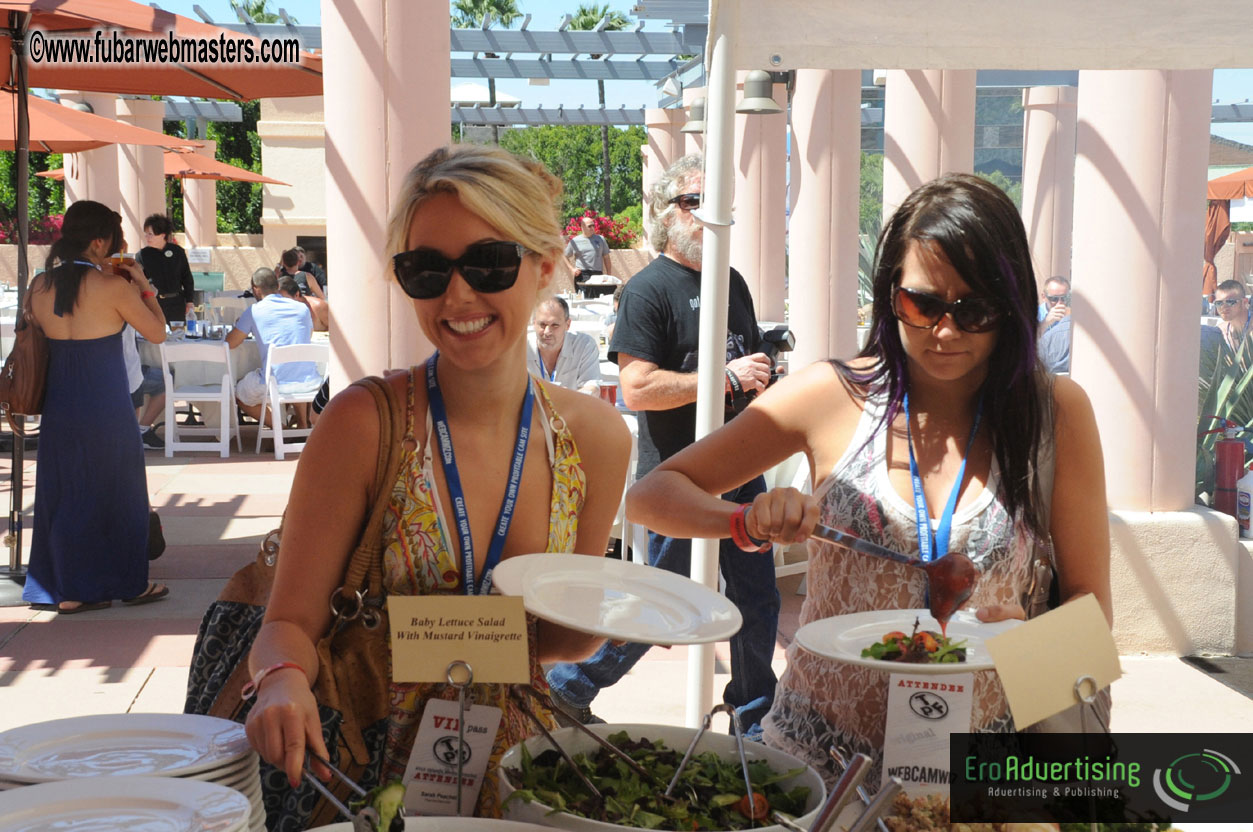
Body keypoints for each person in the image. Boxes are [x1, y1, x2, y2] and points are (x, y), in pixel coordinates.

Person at [625, 173, 1113, 785]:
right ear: (889, 295)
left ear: (1011, 306)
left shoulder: (1056, 414)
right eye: (923, 304)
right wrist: (743, 521)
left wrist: (1024, 644)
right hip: (819, 770)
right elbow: (652, 496)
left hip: (978, 778)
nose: (946, 331)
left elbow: (1092, 612)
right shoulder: (831, 395)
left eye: (976, 310)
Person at [241, 144, 631, 821]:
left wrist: (617, 608)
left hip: (518, 778)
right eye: (426, 269)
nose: (457, 294)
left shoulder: (595, 438)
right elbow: (286, 627)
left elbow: (566, 645)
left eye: (487, 263)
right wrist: (279, 681)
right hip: (356, 778)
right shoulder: (364, 422)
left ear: (542, 268)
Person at [546, 153, 780, 734]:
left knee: (758, 598)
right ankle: (567, 686)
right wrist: (723, 377)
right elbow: (636, 386)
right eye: (694, 201)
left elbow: (741, 361)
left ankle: (751, 718)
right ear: (664, 213)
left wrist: (758, 375)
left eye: (716, 201)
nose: (708, 213)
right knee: (661, 599)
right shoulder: (648, 290)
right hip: (677, 477)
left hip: (739, 466)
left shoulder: (732, 281)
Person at [22, 200, 171, 613]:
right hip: (105, 401)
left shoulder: (39, 286)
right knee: (119, 491)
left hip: (60, 400)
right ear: (100, 241)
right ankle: (127, 581)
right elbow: (158, 333)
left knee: (64, 491)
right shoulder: (113, 288)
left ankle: (67, 588)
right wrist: (142, 283)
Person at [227, 267, 320, 428]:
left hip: (276, 383)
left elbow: (230, 343)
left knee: (239, 394)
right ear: (277, 286)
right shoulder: (302, 308)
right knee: (293, 368)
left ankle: (280, 430)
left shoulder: (254, 311)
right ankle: (301, 426)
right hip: (310, 381)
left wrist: (242, 326)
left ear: (256, 289)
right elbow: (307, 336)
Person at [526, 296, 601, 395]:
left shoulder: (584, 345)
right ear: (534, 323)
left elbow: (592, 386)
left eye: (555, 325)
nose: (547, 332)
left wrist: (566, 398)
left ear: (568, 325)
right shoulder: (520, 347)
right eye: (542, 325)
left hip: (571, 408)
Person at [136, 213, 195, 325]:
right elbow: (139, 280)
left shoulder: (177, 252)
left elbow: (186, 277)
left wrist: (189, 301)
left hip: (176, 303)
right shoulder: (142, 255)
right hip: (154, 303)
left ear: (162, 235)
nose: (147, 237)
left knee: (177, 335)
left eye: (150, 234)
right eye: (146, 234)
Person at [120, 323, 166, 448]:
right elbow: (158, 334)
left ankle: (136, 433)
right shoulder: (126, 306)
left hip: (98, 370)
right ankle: (141, 431)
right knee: (167, 380)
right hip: (125, 372)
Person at [565, 215, 612, 294]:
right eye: (589, 226)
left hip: (598, 275)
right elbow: (564, 256)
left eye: (593, 225)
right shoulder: (575, 241)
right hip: (582, 275)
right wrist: (572, 269)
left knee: (598, 300)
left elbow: (606, 257)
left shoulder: (600, 239)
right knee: (583, 300)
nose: (592, 228)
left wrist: (609, 275)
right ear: (582, 227)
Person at [1213, 279, 1251, 355]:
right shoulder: (1220, 331)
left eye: (1230, 302)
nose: (1223, 307)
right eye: (1219, 303)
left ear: (1245, 302)